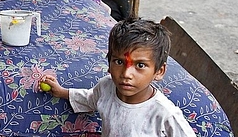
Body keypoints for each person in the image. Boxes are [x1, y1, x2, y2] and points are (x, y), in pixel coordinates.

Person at [40, 18, 196, 136]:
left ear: (159, 71)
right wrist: (62, 92)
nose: (126, 74)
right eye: (119, 62)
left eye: (140, 65)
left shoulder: (164, 114)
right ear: (109, 63)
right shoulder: (106, 87)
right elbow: (91, 98)